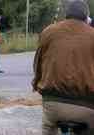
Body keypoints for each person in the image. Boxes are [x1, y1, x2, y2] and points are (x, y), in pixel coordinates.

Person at [32, 1, 94, 135]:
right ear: (86, 17)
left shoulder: (48, 31)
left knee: (48, 127)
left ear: (66, 15)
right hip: (87, 105)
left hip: (53, 103)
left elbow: (38, 63)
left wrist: (36, 84)